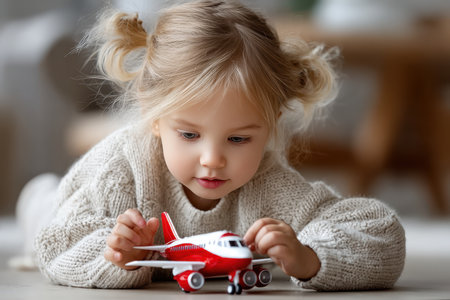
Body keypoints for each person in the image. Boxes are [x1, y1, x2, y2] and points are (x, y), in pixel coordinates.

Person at [22, 0, 405, 291]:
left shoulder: (272, 188)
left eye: (238, 139)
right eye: (189, 135)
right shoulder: (121, 170)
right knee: (44, 207)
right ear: (154, 116)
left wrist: (310, 258)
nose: (213, 159)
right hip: (62, 205)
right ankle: (36, 196)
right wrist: (119, 258)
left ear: (270, 126)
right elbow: (56, 243)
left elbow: (383, 233)